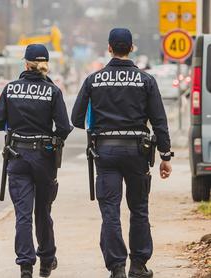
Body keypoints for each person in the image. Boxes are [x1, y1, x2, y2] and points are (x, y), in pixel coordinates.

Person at [71, 28, 173, 278]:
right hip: (137, 153)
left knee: (110, 211)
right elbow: (159, 121)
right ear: (131, 48)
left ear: (109, 48)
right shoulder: (146, 80)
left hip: (105, 153)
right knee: (139, 209)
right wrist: (165, 156)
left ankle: (116, 267)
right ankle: (138, 265)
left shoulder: (93, 80)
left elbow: (75, 118)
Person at [0, 44, 72, 278]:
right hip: (44, 158)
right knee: (43, 211)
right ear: (46, 64)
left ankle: (26, 266)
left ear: (25, 63)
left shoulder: (11, 89)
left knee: (23, 214)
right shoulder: (53, 91)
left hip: (17, 156)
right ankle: (46, 260)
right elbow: (64, 127)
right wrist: (52, 141)